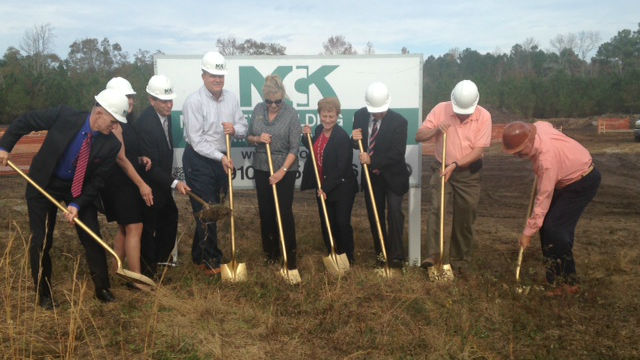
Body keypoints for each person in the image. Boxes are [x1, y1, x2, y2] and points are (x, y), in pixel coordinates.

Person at [0, 88, 129, 309]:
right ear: (99, 113)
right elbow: (25, 121)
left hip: (78, 190)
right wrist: (4, 147)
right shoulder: (64, 116)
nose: (115, 126)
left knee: (92, 236)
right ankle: (44, 294)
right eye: (113, 120)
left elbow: (97, 181)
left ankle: (102, 288)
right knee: (41, 240)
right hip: (44, 182)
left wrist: (77, 204)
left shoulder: (111, 145)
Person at [502, 121, 600, 295]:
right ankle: (555, 281)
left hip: (582, 182)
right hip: (566, 176)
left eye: (519, 151)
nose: (517, 155)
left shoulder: (546, 161)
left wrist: (527, 233)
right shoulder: (537, 127)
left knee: (555, 229)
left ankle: (569, 283)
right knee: (549, 228)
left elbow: (543, 199)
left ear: (529, 142)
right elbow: (544, 123)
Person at [182, 51, 248, 275]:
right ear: (203, 76)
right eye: (213, 75)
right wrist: (220, 158)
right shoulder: (194, 101)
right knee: (208, 209)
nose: (217, 79)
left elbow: (243, 126)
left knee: (211, 210)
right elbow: (196, 140)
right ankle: (212, 260)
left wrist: (235, 129)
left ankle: (199, 255)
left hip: (222, 158)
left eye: (220, 75)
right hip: (199, 160)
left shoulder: (231, 98)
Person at [415, 80, 492, 270]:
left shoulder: (484, 116)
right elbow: (419, 135)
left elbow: (478, 150)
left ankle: (460, 258)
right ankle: (434, 255)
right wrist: (436, 129)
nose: (462, 114)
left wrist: (456, 164)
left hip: (468, 173)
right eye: (459, 111)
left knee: (466, 213)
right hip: (441, 167)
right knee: (437, 209)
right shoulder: (441, 109)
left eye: (466, 112)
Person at [134, 74, 190, 279]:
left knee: (170, 218)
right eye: (164, 101)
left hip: (162, 183)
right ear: (152, 100)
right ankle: (148, 271)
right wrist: (175, 183)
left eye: (170, 100)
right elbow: (151, 166)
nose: (169, 105)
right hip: (149, 185)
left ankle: (157, 261)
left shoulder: (166, 118)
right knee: (149, 228)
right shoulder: (145, 124)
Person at [101, 77, 153, 287]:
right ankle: (137, 280)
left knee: (124, 229)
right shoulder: (115, 124)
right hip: (119, 183)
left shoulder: (125, 122)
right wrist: (142, 184)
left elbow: (127, 154)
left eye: (131, 97)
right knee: (134, 227)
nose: (130, 101)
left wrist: (140, 158)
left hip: (126, 181)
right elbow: (120, 159)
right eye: (126, 97)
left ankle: (117, 271)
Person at [351, 81, 409, 269]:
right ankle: (381, 254)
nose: (377, 114)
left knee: (394, 213)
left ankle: (398, 256)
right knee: (374, 214)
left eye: (380, 110)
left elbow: (397, 153)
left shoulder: (400, 122)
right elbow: (357, 145)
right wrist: (354, 139)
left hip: (393, 177)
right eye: (374, 110)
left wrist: (372, 161)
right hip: (371, 178)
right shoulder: (359, 115)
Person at [246, 75, 301, 269]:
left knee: (283, 213)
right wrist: (258, 138)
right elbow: (248, 137)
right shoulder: (258, 110)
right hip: (261, 168)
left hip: (284, 169)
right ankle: (271, 253)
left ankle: (290, 256)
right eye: (269, 101)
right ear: (264, 98)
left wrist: (282, 171)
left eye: (278, 101)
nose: (273, 105)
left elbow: (295, 148)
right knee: (266, 212)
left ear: (283, 97)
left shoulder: (291, 113)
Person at [301, 97, 357, 263]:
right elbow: (313, 147)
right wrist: (306, 137)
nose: (327, 120)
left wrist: (325, 188)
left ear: (337, 115)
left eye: (331, 116)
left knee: (341, 223)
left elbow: (342, 168)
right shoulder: (318, 130)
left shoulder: (341, 137)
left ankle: (348, 257)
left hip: (342, 187)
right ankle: (333, 253)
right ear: (320, 115)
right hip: (322, 187)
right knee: (327, 222)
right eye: (324, 116)